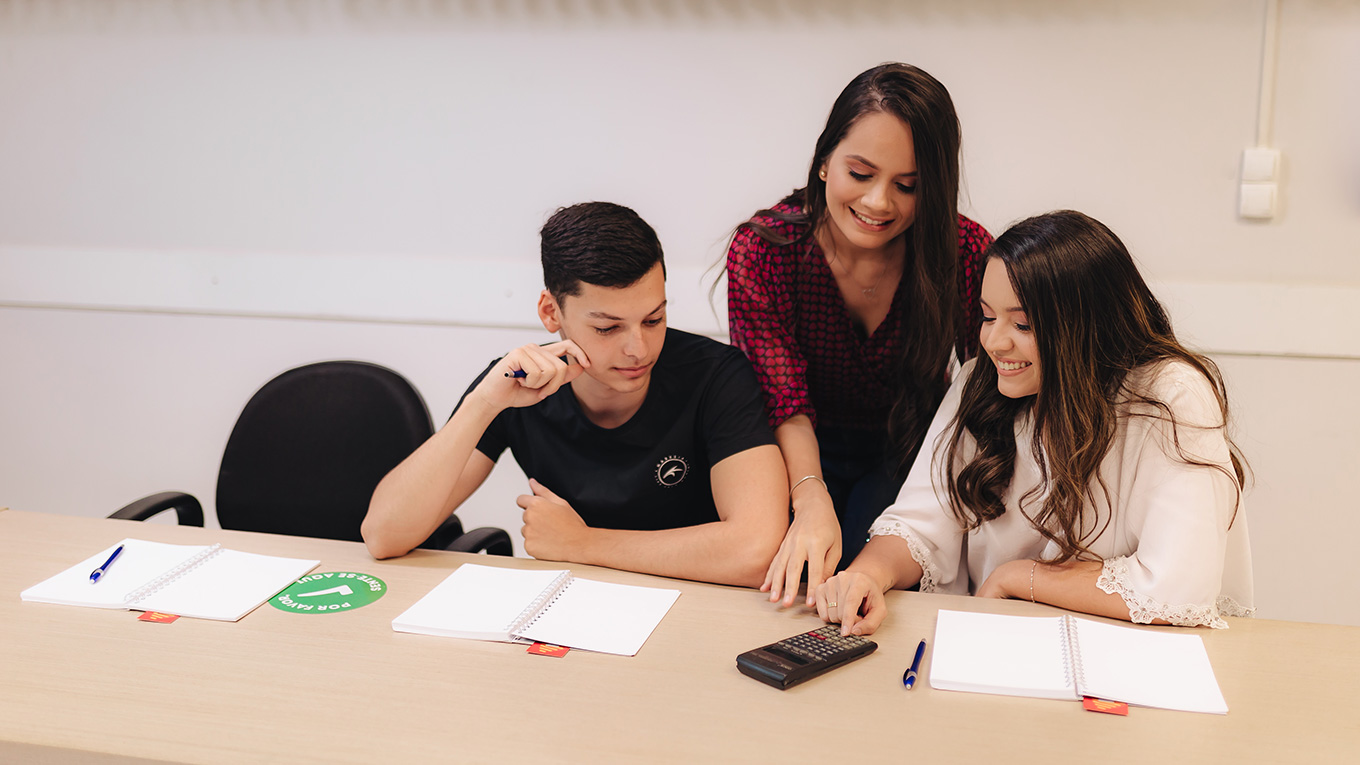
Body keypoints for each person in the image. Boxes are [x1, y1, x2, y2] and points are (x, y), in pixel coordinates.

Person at [815, 210, 1255, 633]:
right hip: (999, 643)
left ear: (1087, 325)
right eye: (987, 316)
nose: (993, 341)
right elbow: (922, 523)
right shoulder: (979, 382)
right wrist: (868, 574)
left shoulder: (1170, 395)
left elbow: (1175, 587)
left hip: (1125, 654)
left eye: (1022, 324)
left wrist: (1020, 577)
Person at [363, 202, 788, 587]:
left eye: (654, 319)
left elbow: (755, 550)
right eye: (607, 328)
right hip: (569, 612)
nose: (638, 349)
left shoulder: (716, 376)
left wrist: (582, 543)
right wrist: (482, 404)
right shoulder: (516, 384)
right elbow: (384, 535)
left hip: (694, 604)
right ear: (551, 312)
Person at [726, 63, 993, 606]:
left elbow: (984, 382)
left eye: (907, 186)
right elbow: (783, 398)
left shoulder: (963, 252)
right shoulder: (765, 250)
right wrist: (811, 495)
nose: (878, 203)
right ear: (825, 161)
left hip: (909, 453)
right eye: (861, 173)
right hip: (789, 448)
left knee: (863, 590)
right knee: (786, 591)